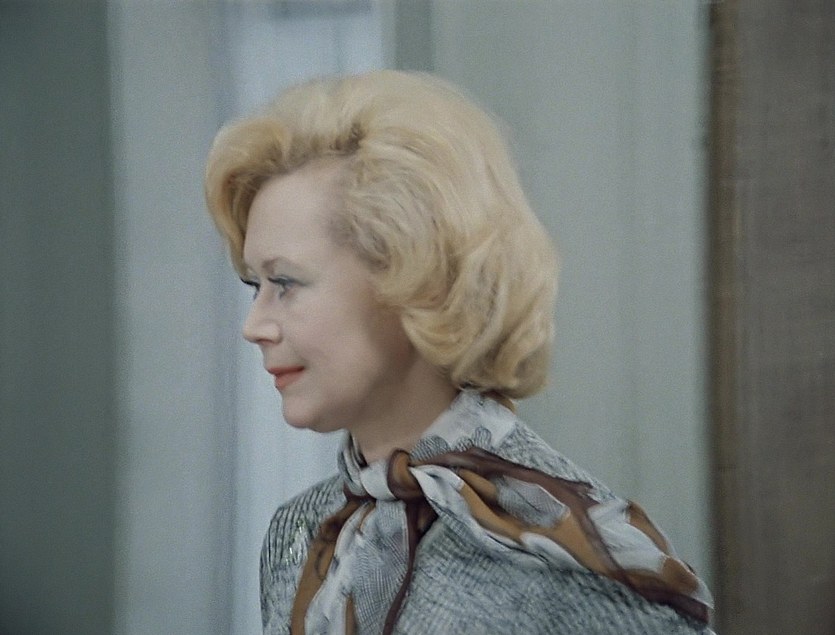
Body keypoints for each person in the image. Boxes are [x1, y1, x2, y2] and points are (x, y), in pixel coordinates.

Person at [205, 70, 714, 635]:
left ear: (414, 277)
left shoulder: (568, 557)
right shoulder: (300, 531)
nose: (254, 326)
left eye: (285, 283)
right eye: (254, 285)